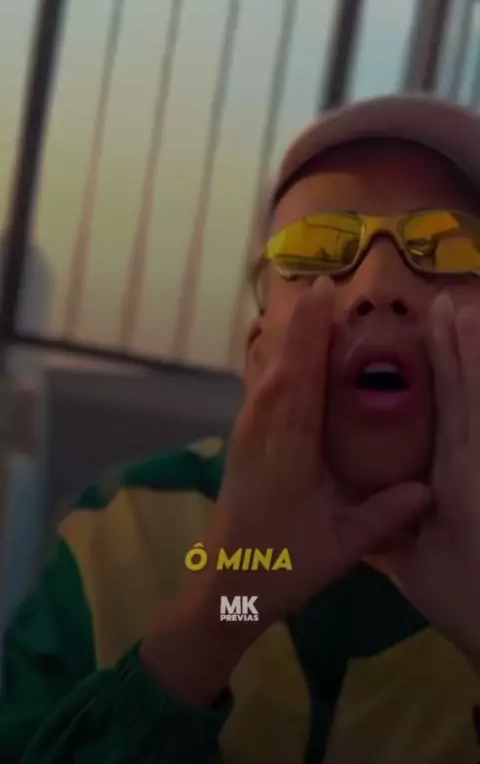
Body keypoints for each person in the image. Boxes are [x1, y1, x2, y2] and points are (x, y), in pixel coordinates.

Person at [2, 94, 480, 764]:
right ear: (258, 355)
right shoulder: (125, 528)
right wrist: (225, 612)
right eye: (317, 251)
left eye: (451, 248)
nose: (378, 284)